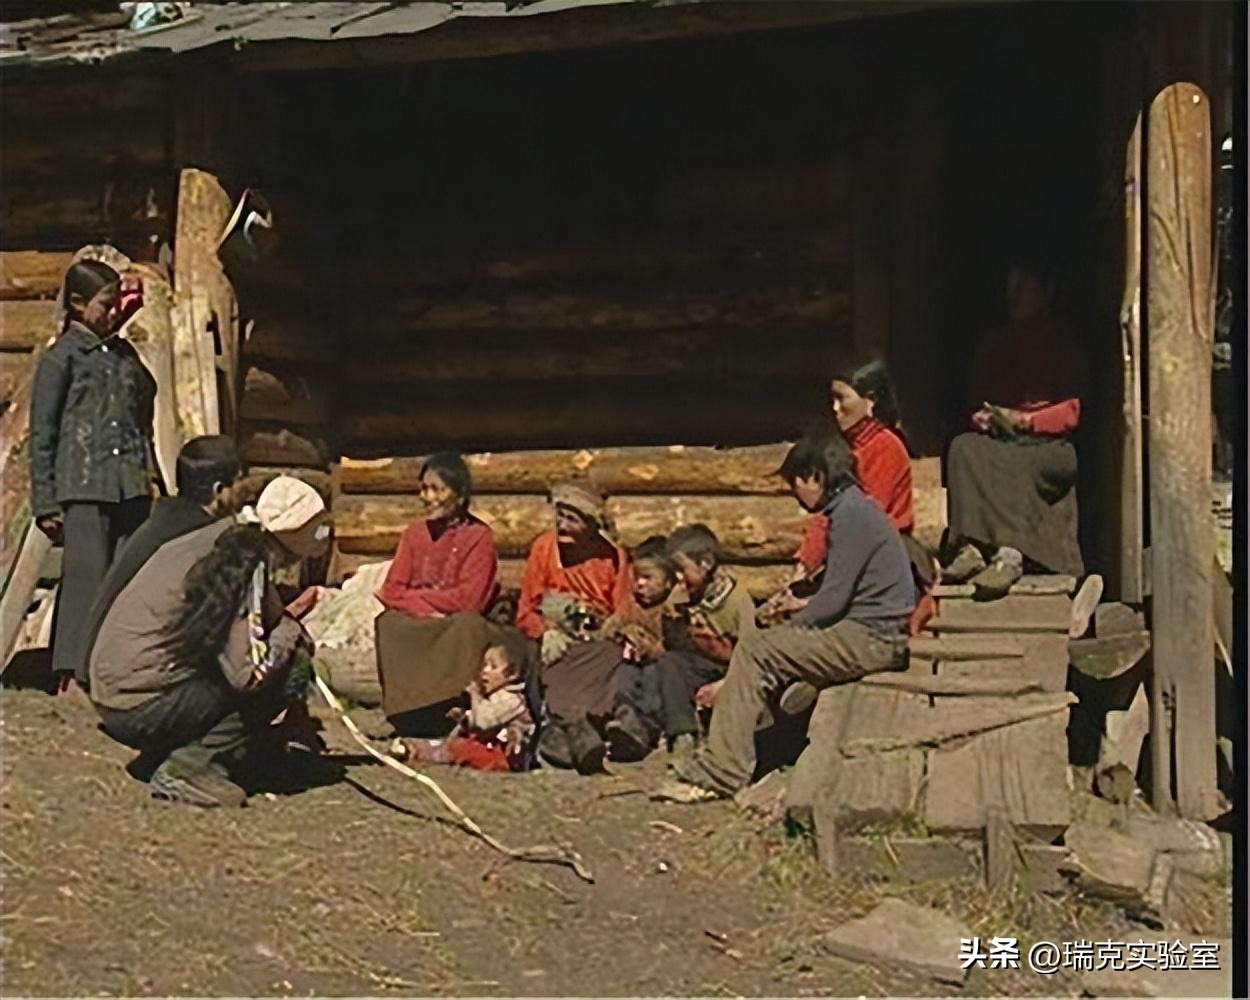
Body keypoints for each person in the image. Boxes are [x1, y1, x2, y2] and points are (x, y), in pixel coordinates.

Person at [658, 429, 914, 802]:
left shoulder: (851, 516)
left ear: (815, 476)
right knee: (775, 649)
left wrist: (792, 624)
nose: (796, 495)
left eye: (796, 483)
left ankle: (723, 769)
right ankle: (757, 747)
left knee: (758, 649)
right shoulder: (854, 510)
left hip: (872, 638)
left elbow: (833, 601)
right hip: (869, 633)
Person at [88, 476, 331, 807]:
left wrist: (284, 623)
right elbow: (246, 674)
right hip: (138, 707)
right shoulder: (242, 564)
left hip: (116, 696)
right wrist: (291, 635)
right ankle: (187, 768)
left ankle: (165, 754)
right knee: (290, 667)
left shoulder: (221, 539)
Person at [30, 259, 157, 687]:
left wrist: (150, 475)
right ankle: (71, 670)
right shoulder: (62, 358)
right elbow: (43, 432)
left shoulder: (123, 355)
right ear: (80, 304)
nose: (114, 311)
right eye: (107, 304)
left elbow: (145, 402)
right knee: (86, 578)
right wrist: (45, 501)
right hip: (84, 484)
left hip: (129, 482)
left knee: (125, 576)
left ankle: (113, 670)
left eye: (117, 302)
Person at [943, 262, 1088, 597]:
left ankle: (1010, 556)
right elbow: (980, 399)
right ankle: (972, 547)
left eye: (1024, 289)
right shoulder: (996, 342)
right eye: (1011, 291)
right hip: (1005, 438)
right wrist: (985, 418)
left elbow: (1073, 411)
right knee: (964, 449)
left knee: (1017, 464)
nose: (1015, 298)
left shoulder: (1063, 342)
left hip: (1050, 445)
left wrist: (1027, 421)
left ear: (1045, 293)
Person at [75, 435, 243, 690]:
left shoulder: (164, 521)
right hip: (123, 674)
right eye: (239, 480)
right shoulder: (195, 540)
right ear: (219, 490)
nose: (244, 488)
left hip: (102, 664)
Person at [374, 453, 500, 733]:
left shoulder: (479, 537)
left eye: (437, 489)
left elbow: (471, 599)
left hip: (454, 623)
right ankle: (405, 710)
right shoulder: (414, 534)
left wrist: (421, 599)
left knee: (468, 626)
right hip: (420, 619)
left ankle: (449, 706)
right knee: (388, 623)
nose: (428, 497)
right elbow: (391, 589)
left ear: (459, 494)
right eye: (424, 488)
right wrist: (422, 607)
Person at [520, 479, 633, 774]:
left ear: (591, 524)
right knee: (551, 661)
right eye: (561, 516)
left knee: (608, 657)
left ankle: (576, 729)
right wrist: (546, 630)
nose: (564, 526)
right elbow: (525, 610)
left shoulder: (612, 557)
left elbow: (622, 610)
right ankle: (570, 729)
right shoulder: (544, 549)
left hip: (595, 643)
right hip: (556, 637)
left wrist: (605, 628)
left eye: (573, 519)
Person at [638, 524, 758, 754]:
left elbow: (751, 655)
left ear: (706, 564)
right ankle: (682, 733)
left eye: (682, 569)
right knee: (670, 663)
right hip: (698, 667)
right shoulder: (680, 599)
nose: (677, 578)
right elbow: (674, 649)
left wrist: (723, 685)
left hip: (733, 671)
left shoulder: (735, 601)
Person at [395, 631, 535, 773]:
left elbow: (482, 721)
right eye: (484, 665)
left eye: (493, 667)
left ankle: (424, 754)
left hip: (504, 755)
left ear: (512, 673)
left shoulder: (512, 700)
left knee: (462, 749)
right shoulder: (494, 694)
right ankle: (416, 746)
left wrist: (474, 694)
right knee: (454, 742)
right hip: (484, 744)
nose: (484, 671)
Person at [601, 535, 679, 761]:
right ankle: (625, 723)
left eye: (648, 578)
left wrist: (645, 643)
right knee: (622, 676)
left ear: (668, 581)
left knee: (654, 680)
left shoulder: (671, 609)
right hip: (632, 663)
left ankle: (648, 729)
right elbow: (611, 626)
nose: (640, 584)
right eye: (636, 578)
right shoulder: (632, 603)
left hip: (658, 667)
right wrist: (619, 630)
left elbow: (670, 650)